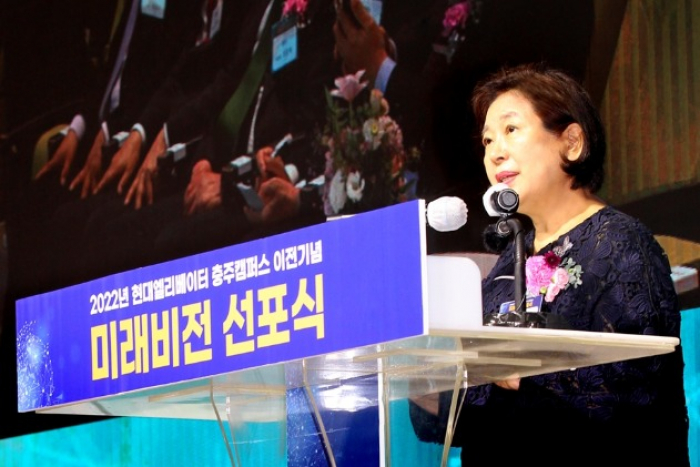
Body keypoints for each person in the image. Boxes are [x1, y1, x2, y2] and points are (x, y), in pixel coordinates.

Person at [409, 63, 690, 466]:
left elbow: (636, 392)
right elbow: (460, 414)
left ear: (571, 142)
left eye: (510, 130)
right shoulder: (510, 260)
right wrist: (428, 383)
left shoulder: (621, 244)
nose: (495, 152)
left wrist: (523, 373)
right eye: (487, 141)